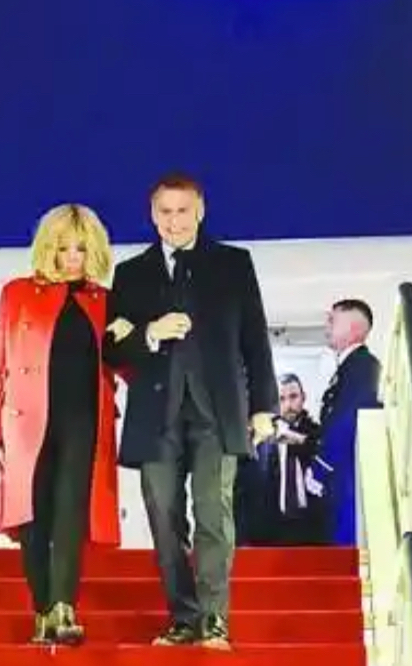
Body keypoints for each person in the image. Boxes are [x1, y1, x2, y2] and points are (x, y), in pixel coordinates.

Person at [103, 174, 277, 650]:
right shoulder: (131, 273)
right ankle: (183, 618)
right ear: (152, 215)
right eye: (165, 212)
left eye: (183, 211)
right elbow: (112, 349)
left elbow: (255, 339)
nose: (174, 221)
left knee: (213, 513)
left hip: (216, 413)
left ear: (200, 211)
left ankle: (214, 620)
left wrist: (264, 407)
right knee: (164, 518)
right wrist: (150, 333)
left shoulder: (233, 264)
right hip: (154, 415)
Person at [0, 203, 123, 645]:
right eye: (63, 248)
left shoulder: (104, 301)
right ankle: (42, 608)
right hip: (25, 423)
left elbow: (124, 363)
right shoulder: (17, 293)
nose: (72, 258)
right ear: (49, 248)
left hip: (84, 420)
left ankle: (64, 608)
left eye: (81, 249)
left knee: (70, 513)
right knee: (32, 517)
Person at [316, 298, 382, 546]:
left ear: (354, 328)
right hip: (341, 476)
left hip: (347, 475)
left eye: (333, 320)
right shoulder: (349, 368)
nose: (327, 325)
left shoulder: (363, 366)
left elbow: (347, 419)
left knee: (345, 547)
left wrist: (321, 466)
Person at [240, 373, 327, 546]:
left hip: (311, 526)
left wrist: (299, 439)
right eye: (282, 399)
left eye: (293, 397)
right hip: (270, 528)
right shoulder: (262, 439)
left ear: (303, 398)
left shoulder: (319, 434)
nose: (288, 405)